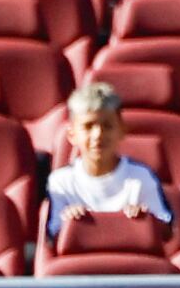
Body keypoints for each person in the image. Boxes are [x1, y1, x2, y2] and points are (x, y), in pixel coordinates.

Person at [42, 83, 173, 245]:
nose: (98, 135)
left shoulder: (140, 177)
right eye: (88, 126)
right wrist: (69, 222)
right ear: (72, 134)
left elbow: (166, 232)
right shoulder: (60, 182)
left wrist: (146, 220)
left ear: (122, 130)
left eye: (107, 126)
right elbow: (52, 236)